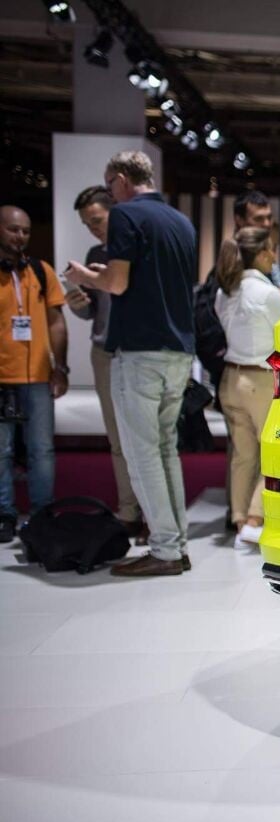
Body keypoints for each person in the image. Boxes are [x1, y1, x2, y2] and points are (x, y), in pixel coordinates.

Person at [64, 150, 197, 577]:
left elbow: (117, 283)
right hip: (178, 351)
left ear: (122, 179)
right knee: (165, 450)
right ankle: (176, 544)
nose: (110, 194)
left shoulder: (125, 215)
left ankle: (165, 550)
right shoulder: (180, 222)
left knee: (142, 455)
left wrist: (85, 276)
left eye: (109, 185)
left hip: (140, 351)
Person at [64, 185, 143, 536]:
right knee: (116, 439)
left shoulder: (139, 247)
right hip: (104, 352)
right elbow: (93, 311)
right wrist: (78, 305)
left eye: (96, 220)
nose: (93, 228)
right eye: (87, 223)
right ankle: (128, 511)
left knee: (144, 438)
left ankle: (152, 514)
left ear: (114, 212)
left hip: (138, 352)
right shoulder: (96, 252)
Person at [0, 205, 69, 542]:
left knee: (42, 448)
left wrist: (61, 366)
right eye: (13, 229)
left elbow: (56, 322)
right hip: (2, 377)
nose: (20, 236)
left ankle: (42, 512)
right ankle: (5, 513)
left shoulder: (41, 272)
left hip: (38, 377)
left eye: (25, 231)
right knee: (1, 451)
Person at [214, 227, 280, 550]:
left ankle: (241, 521)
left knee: (242, 456)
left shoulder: (224, 292)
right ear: (260, 253)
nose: (274, 256)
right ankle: (255, 521)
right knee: (271, 452)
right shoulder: (268, 293)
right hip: (259, 379)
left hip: (230, 378)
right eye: (270, 249)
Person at [231, 191, 280, 299]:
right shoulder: (233, 259)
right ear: (239, 220)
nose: (267, 224)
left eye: (269, 217)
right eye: (258, 219)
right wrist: (279, 295)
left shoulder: (271, 262)